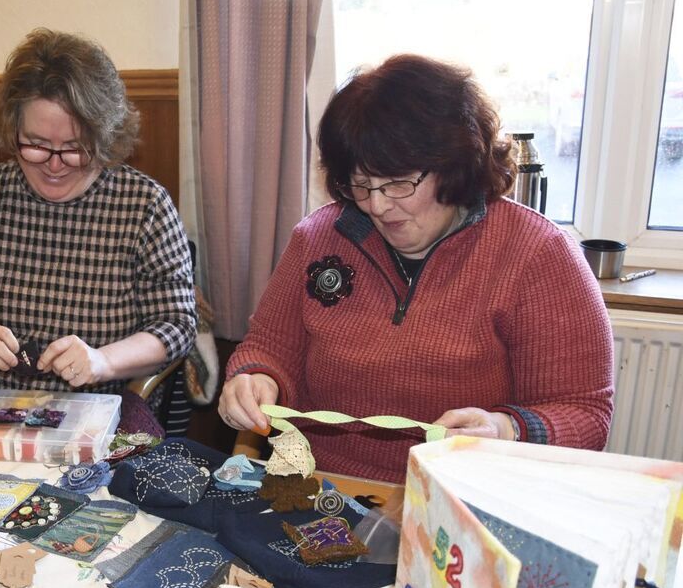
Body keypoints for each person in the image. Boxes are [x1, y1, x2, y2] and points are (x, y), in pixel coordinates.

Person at [218, 54, 613, 483]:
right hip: (321, 484)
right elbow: (270, 346)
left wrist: (506, 428)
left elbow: (585, 413)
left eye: (398, 183)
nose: (377, 205)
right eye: (361, 184)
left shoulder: (538, 254)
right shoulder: (317, 238)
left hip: (461, 498)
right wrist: (254, 378)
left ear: (454, 164)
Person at [0, 28, 197, 401]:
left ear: (102, 137)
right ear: (11, 130)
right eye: (35, 145)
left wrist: (103, 361)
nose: (53, 165)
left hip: (93, 410)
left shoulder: (145, 205)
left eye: (74, 148)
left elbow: (176, 325)